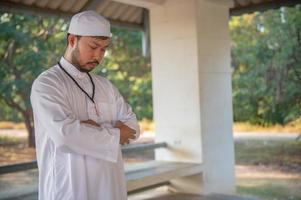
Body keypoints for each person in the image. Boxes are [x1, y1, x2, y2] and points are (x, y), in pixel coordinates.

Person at [30, 10, 140, 200]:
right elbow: (66, 136)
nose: (98, 55)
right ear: (72, 40)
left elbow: (133, 128)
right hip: (68, 189)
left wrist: (89, 129)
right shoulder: (47, 84)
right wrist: (114, 132)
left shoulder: (105, 86)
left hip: (109, 187)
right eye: (93, 46)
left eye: (103, 49)